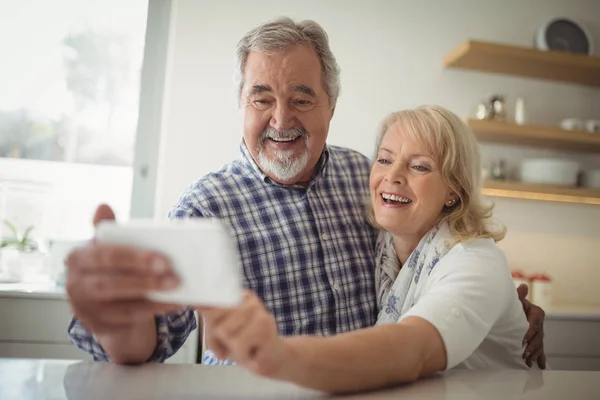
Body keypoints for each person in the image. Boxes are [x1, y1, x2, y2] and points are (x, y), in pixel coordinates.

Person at [65, 17, 546, 368]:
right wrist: (116, 319)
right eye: (262, 98)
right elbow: (149, 342)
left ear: (330, 106)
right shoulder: (204, 208)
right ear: (241, 103)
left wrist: (502, 314)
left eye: (301, 98)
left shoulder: (368, 178)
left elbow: (441, 256)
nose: (280, 119)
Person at [199, 105, 537, 394]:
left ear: (455, 190)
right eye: (385, 160)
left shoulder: (475, 261)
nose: (393, 177)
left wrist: (279, 355)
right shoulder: (382, 245)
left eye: (419, 166)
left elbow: (412, 349)